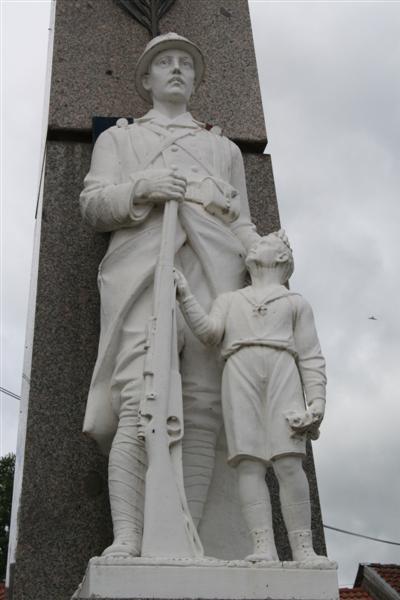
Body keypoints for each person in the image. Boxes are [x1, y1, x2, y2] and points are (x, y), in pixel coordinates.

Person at [80, 32, 260, 557]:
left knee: (205, 404)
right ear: (146, 79)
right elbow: (93, 204)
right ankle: (129, 537)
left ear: (198, 79)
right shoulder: (119, 140)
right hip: (141, 273)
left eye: (186, 63)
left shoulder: (223, 148)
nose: (176, 70)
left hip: (213, 274)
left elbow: (243, 223)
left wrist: (266, 259)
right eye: (165, 63)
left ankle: (193, 536)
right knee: (136, 399)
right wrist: (143, 188)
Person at [175, 230, 331, 564]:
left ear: (282, 259)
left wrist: (316, 401)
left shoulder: (295, 303)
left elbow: (310, 355)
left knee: (288, 462)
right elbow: (209, 333)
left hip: (282, 371)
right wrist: (185, 294)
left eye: (266, 242)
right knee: (248, 463)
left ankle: (304, 549)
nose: (256, 242)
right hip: (239, 372)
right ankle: (263, 547)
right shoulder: (230, 300)